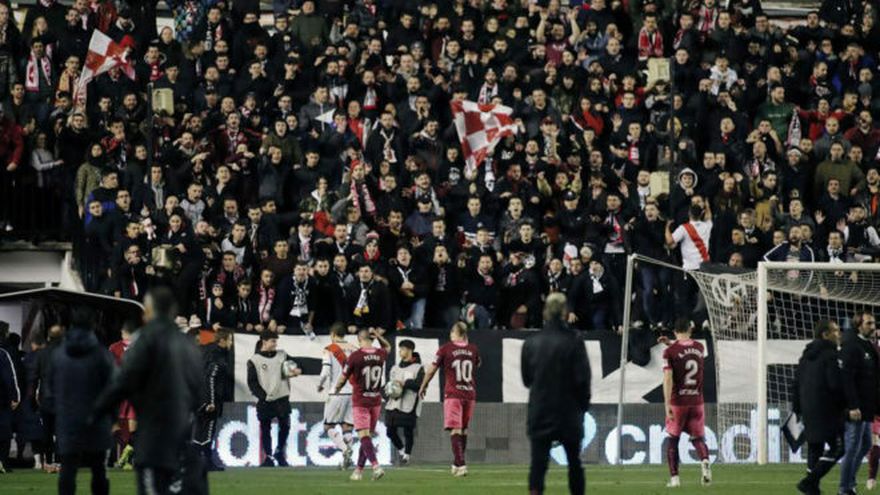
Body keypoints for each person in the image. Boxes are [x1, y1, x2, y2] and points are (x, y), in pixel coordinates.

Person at [94, 287, 205, 495]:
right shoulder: (189, 345)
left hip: (153, 441)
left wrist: (96, 414)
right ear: (173, 311)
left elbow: (122, 382)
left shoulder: (144, 340)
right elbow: (198, 390)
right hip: (182, 439)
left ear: (148, 312)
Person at [521, 293, 590, 495]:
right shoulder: (575, 341)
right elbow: (583, 380)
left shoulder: (531, 342)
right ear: (565, 312)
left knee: (538, 464)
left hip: (540, 410)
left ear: (545, 312)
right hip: (569, 411)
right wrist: (582, 408)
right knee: (574, 462)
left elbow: (527, 380)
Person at [46, 307, 114, 495]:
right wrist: (111, 416)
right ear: (93, 325)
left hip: (68, 420)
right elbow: (113, 388)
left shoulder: (58, 355)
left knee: (68, 470)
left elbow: (49, 388)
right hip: (97, 419)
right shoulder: (101, 354)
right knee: (99, 471)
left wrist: (59, 411)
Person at [419, 321, 481, 477]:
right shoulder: (473, 349)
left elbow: (431, 370)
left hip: (453, 394)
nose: (450, 335)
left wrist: (424, 385)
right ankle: (457, 463)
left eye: (452, 332)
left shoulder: (446, 348)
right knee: (464, 430)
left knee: (455, 430)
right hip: (470, 393)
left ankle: (462, 465)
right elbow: (478, 363)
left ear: (456, 333)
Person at [793, 320, 844, 495]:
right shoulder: (831, 355)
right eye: (835, 331)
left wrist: (797, 408)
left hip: (808, 409)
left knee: (815, 448)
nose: (839, 334)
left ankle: (812, 490)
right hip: (827, 410)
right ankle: (809, 482)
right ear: (825, 334)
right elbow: (834, 384)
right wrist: (844, 406)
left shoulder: (805, 356)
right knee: (839, 447)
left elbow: (796, 383)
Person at [334, 328, 391, 481]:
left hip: (361, 400)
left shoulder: (355, 356)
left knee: (364, 436)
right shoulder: (380, 353)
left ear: (359, 340)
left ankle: (376, 467)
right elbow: (388, 347)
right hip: (376, 400)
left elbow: (343, 377)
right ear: (371, 339)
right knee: (367, 437)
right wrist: (378, 335)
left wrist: (337, 389)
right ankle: (358, 471)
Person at [662, 318, 712, 488]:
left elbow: (668, 378)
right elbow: (686, 353)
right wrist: (671, 343)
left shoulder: (669, 352)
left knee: (673, 440)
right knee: (698, 438)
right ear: (690, 330)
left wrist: (667, 404)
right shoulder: (700, 347)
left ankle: (675, 479)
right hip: (697, 401)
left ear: (674, 332)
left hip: (678, 402)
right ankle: (705, 460)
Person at [247, 330, 301, 467]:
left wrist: (295, 371)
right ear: (264, 342)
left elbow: (293, 367)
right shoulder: (254, 360)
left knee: (285, 426)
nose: (275, 344)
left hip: (282, 397)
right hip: (265, 400)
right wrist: (264, 396)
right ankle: (268, 457)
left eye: (276, 341)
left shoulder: (283, 355)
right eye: (273, 341)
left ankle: (279, 452)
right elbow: (252, 382)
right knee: (265, 429)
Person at [838, 312, 878, 495]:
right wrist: (852, 406)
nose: (873, 326)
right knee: (852, 447)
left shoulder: (867, 345)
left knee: (865, 445)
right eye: (869, 323)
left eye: (873, 323)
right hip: (856, 408)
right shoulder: (852, 345)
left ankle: (849, 482)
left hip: (867, 407)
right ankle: (844, 489)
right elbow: (846, 378)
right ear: (859, 325)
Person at [193, 327, 233, 472]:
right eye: (229, 340)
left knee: (201, 431)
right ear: (222, 340)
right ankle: (205, 462)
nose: (231, 343)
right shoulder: (216, 357)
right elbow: (210, 378)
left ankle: (200, 462)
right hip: (209, 399)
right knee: (207, 430)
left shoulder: (210, 352)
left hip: (200, 397)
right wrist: (210, 401)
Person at [317, 322, 356, 468]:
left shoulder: (329, 349)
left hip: (337, 392)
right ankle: (348, 458)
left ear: (333, 334)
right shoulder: (355, 349)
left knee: (328, 426)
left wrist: (320, 384)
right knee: (347, 427)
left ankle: (345, 450)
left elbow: (325, 371)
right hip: (353, 392)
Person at [385, 339, 424, 465]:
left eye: (402, 349)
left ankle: (407, 455)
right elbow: (389, 384)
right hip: (393, 403)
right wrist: (389, 391)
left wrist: (405, 383)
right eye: (400, 349)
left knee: (408, 431)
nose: (400, 351)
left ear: (409, 350)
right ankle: (401, 450)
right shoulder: (394, 368)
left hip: (409, 404)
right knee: (390, 431)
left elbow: (419, 385)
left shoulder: (418, 368)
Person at [108, 321, 136, 470]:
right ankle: (127, 456)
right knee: (133, 427)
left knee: (115, 425)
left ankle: (124, 456)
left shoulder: (114, 348)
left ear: (123, 333)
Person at [0, 333, 19, 473]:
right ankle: (3, 462)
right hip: (2, 399)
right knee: (5, 432)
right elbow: (10, 377)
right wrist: (15, 397)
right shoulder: (3, 354)